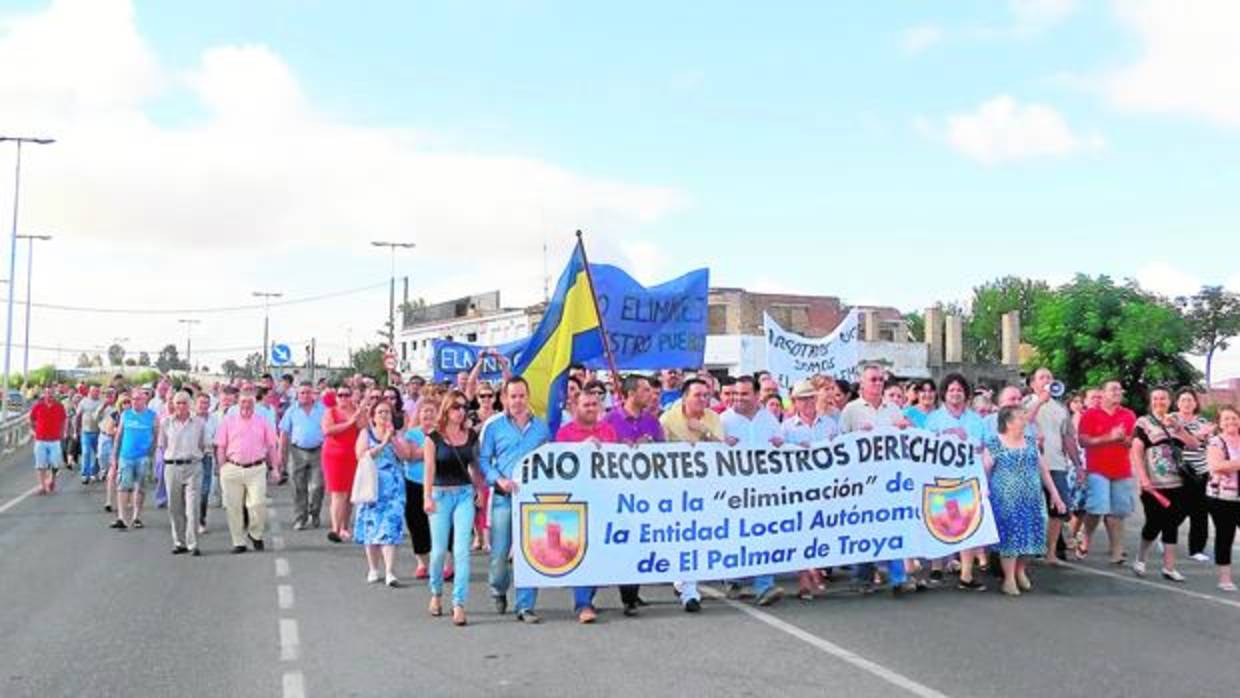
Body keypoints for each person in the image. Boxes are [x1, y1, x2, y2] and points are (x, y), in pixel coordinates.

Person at [481, 377, 551, 623]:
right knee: (500, 555)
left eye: (522, 396)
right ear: (505, 399)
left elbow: (550, 461)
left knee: (529, 554)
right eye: (513, 397)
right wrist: (497, 479)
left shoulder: (542, 429)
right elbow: (484, 460)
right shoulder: (494, 427)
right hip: (504, 499)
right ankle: (498, 588)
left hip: (532, 500)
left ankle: (525, 606)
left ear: (528, 396)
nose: (518, 401)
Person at [840, 364, 916, 594]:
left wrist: (905, 428)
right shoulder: (851, 411)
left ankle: (898, 576)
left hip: (888, 479)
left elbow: (910, 439)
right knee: (865, 526)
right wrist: (857, 437)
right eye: (873, 379)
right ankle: (863, 575)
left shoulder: (893, 409)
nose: (877, 383)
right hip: (862, 480)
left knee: (891, 524)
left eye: (880, 380)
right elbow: (840, 446)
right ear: (861, 383)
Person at [984, 405, 1066, 596]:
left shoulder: (1030, 441)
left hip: (1031, 499)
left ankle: (1021, 570)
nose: (1024, 421)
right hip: (1006, 500)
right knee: (1011, 539)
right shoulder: (994, 442)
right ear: (1008, 422)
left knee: (1032, 536)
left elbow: (1043, 469)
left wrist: (1055, 494)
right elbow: (985, 470)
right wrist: (983, 491)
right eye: (1020, 418)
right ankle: (1009, 578)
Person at [660, 378, 726, 612]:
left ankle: (688, 588)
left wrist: (704, 432)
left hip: (705, 488)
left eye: (706, 395)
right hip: (675, 488)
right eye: (697, 395)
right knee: (681, 536)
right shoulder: (668, 419)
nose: (702, 399)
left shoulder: (713, 418)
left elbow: (721, 449)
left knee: (696, 537)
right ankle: (688, 590)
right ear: (684, 397)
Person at [555, 388, 619, 623]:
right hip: (577, 502)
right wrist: (583, 446)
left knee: (600, 553)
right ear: (574, 407)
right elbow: (561, 466)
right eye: (586, 405)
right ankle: (583, 603)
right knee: (581, 551)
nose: (591, 409)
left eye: (595, 404)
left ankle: (588, 596)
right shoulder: (564, 434)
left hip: (604, 501)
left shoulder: (609, 431)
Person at [720, 376, 786, 606]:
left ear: (757, 396)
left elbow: (784, 448)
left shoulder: (769, 419)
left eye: (745, 394)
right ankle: (734, 579)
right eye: (736, 394)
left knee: (763, 535)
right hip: (733, 491)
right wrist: (720, 444)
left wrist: (783, 446)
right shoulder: (723, 420)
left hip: (764, 491)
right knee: (736, 535)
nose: (738, 398)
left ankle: (764, 585)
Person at [603, 373, 664, 615]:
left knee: (640, 541)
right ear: (630, 394)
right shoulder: (611, 420)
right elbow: (602, 452)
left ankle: (633, 592)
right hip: (618, 492)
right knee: (624, 542)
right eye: (646, 390)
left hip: (646, 491)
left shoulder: (652, 421)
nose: (651, 395)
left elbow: (665, 453)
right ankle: (627, 595)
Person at [924, 373, 987, 590]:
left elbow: (982, 448)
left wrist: (965, 440)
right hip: (940, 478)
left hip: (968, 478)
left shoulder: (976, 420)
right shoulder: (933, 419)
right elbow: (924, 449)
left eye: (959, 390)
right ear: (944, 394)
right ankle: (936, 566)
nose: (955, 394)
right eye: (951, 390)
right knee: (939, 520)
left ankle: (966, 574)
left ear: (966, 394)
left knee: (967, 523)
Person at [424, 390, 481, 626]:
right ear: (446, 410)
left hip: (464, 494)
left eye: (463, 407)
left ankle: (459, 602)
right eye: (455, 407)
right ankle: (436, 592)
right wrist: (426, 497)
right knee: (438, 552)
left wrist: (480, 490)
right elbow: (429, 469)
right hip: (440, 494)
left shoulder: (471, 436)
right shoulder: (433, 438)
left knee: (461, 551)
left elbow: (476, 466)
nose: (460, 411)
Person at [1130, 387, 1195, 582]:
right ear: (1151, 401)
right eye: (1156, 398)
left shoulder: (1176, 422)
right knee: (1153, 523)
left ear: (1169, 401)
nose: (1160, 402)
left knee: (1171, 524)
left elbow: (1193, 444)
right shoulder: (1144, 423)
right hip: (1154, 484)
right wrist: (1144, 479)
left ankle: (1169, 567)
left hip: (1177, 482)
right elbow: (1137, 452)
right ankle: (1141, 557)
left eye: (1163, 398)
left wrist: (1178, 428)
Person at [782, 378, 837, 599]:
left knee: (822, 530)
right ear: (794, 402)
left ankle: (818, 569)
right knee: (801, 532)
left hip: (825, 486)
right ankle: (805, 577)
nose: (806, 403)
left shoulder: (830, 424)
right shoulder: (786, 427)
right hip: (799, 487)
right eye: (801, 399)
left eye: (810, 398)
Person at [1024, 368, 1081, 566]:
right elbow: (1023, 423)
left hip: (1056, 464)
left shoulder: (1061, 408)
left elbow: (1068, 438)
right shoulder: (1025, 403)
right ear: (1033, 384)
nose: (1047, 380)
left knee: (1058, 510)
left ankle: (1051, 551)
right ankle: (1028, 550)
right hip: (1030, 464)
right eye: (1042, 377)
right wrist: (1040, 400)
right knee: (1029, 508)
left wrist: (1078, 466)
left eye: (1050, 377)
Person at [1078, 380, 1137, 565]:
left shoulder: (1128, 415)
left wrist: (1123, 439)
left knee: (1117, 513)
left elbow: (1132, 442)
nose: (1117, 392)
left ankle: (1117, 552)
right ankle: (1085, 537)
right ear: (1102, 393)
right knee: (1097, 507)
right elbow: (1083, 441)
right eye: (1113, 389)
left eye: (1119, 389)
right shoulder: (1090, 414)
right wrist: (1108, 437)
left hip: (1121, 469)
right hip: (1098, 469)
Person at [353, 400, 411, 588]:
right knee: (371, 527)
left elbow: (405, 455)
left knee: (390, 528)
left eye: (387, 412)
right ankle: (373, 568)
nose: (384, 416)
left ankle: (390, 571)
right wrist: (382, 443)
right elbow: (362, 455)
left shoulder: (396, 434)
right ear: (373, 416)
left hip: (393, 487)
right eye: (380, 413)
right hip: (372, 485)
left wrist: (392, 438)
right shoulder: (365, 434)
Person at [215, 390, 279, 553]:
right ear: (238, 403)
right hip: (232, 468)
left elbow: (272, 446)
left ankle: (255, 534)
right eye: (243, 401)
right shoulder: (228, 421)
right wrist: (222, 467)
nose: (246, 405)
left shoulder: (262, 421)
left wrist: (275, 468)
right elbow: (221, 446)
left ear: (254, 404)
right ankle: (238, 542)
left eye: (249, 402)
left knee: (257, 503)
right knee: (233, 507)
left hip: (256, 468)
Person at [159, 391, 210, 556]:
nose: (181, 406)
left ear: (190, 404)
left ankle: (192, 543)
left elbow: (203, 444)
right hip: (172, 467)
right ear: (173, 404)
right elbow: (162, 445)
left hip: (193, 467)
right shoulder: (166, 423)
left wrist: (194, 456)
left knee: (192, 506)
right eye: (178, 403)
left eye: (184, 403)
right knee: (175, 507)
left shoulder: (199, 423)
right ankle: (179, 541)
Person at [1174, 389, 1214, 563]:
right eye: (1183, 400)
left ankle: (1196, 549)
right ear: (1177, 402)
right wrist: (1198, 435)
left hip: (1201, 471)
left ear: (1196, 403)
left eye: (1190, 400)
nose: (1187, 403)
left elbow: (1206, 445)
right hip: (1179, 471)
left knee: (1200, 511)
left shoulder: (1203, 421)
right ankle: (1165, 533)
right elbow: (1177, 442)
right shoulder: (1172, 419)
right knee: (1180, 509)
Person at [279, 382, 326, 530]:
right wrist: (282, 455)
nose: (305, 396)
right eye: (302, 393)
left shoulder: (322, 410)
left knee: (318, 486)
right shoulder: (291, 411)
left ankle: (315, 513)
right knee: (298, 486)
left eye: (308, 392)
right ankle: (301, 517)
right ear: (297, 395)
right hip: (297, 451)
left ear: (313, 394)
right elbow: (284, 433)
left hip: (318, 451)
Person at [321, 385, 365, 543]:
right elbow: (328, 430)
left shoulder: (356, 410)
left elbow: (363, 428)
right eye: (340, 395)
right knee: (338, 493)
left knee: (350, 494)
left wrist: (360, 413)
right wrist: (349, 423)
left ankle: (345, 527)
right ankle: (335, 528)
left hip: (353, 455)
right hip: (334, 455)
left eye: (346, 395)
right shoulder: (330, 412)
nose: (343, 398)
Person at [111, 390, 159, 529]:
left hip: (143, 457)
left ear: (145, 400)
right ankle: (121, 517)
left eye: (138, 399)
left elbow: (156, 436)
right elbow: (119, 436)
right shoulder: (126, 415)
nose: (135, 402)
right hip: (126, 456)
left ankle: (136, 517)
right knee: (123, 486)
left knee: (140, 487)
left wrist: (152, 453)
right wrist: (114, 456)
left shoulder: (152, 416)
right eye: (133, 399)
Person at [1205, 406, 1240, 592]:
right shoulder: (1216, 442)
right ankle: (1224, 578)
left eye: (1234, 418)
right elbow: (1216, 465)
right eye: (1226, 419)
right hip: (1222, 497)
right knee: (1225, 536)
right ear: (1219, 423)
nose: (1231, 422)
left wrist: (1232, 465)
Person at [403, 399, 438, 578]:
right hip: (413, 483)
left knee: (436, 524)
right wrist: (429, 447)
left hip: (437, 484)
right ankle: (422, 563)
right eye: (424, 411)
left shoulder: (443, 434)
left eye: (431, 411)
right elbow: (410, 455)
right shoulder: (411, 434)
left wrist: (423, 451)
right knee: (416, 524)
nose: (428, 415)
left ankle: (439, 562)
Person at [29, 387, 67, 495]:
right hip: (40, 439)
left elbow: (64, 420)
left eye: (51, 393)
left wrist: (63, 432)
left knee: (55, 463)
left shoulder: (59, 406)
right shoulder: (38, 406)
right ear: (44, 394)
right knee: (40, 464)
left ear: (54, 394)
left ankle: (52, 480)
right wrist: (33, 431)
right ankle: (42, 486)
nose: (49, 395)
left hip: (55, 440)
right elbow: (31, 419)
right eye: (47, 393)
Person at [196, 393, 219, 534]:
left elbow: (217, 441)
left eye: (206, 403)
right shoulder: (191, 419)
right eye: (201, 403)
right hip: (192, 458)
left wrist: (218, 462)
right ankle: (191, 518)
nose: (204, 406)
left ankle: (201, 518)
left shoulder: (214, 419)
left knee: (204, 491)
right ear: (195, 404)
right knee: (191, 491)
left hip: (207, 457)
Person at [77, 385, 103, 484]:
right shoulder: (84, 402)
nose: (96, 393)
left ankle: (94, 472)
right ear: (90, 392)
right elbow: (78, 416)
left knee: (98, 454)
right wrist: (76, 430)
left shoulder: (101, 402)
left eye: (97, 391)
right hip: (86, 432)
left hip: (98, 432)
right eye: (94, 391)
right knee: (86, 453)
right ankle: (85, 474)